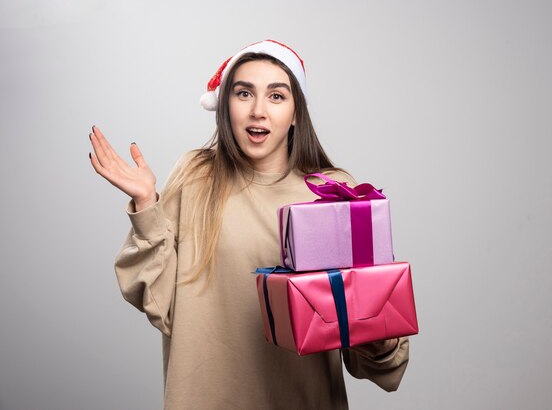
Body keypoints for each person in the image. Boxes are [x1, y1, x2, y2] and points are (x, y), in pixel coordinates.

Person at [89, 40, 409, 409]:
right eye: (244, 93)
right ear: (225, 107)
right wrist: (147, 204)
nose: (258, 111)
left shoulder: (334, 192)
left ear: (296, 114)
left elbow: (376, 357)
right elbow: (160, 303)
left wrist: (371, 323)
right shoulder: (196, 178)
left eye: (276, 96)